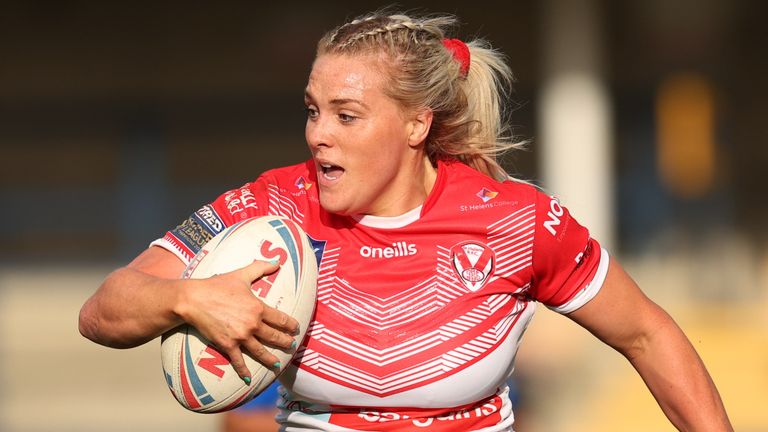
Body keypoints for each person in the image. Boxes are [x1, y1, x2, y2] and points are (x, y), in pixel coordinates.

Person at [79, 10, 733, 431]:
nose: (318, 136)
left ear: (417, 123)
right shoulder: (270, 205)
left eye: (346, 114)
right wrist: (187, 298)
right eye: (312, 110)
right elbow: (103, 311)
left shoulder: (515, 220)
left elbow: (648, 333)